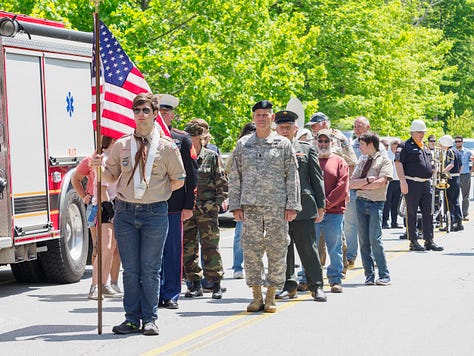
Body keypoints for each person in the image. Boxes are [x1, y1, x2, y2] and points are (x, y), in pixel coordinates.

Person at [91, 93, 186, 335]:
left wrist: (154, 192)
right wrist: (99, 168)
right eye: (137, 110)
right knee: (131, 269)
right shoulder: (122, 145)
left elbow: (178, 180)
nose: (141, 115)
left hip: (155, 213)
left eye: (145, 110)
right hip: (125, 212)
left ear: (155, 114)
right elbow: (111, 177)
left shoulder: (167, 147)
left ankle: (150, 319)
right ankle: (132, 318)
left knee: (150, 269)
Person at [229, 100, 301, 313]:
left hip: (276, 205)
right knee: (251, 250)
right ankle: (256, 295)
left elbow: (292, 176)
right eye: (258, 114)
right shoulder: (243, 144)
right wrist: (235, 204)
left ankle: (271, 294)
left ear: (272, 118)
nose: (261, 118)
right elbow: (235, 176)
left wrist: (292, 205)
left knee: (277, 248)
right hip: (250, 206)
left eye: (266, 114)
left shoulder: (283, 144)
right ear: (253, 117)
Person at [274, 110, 327, 302]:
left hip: (303, 206)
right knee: (283, 249)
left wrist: (321, 205)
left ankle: (317, 286)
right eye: (282, 127)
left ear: (295, 129)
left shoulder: (306, 149)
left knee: (308, 249)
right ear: (276, 129)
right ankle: (288, 285)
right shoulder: (271, 148)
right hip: (278, 207)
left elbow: (316, 179)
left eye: (288, 127)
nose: (285, 131)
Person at [156, 94, 198, 310]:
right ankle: (154, 293)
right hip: (150, 204)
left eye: (166, 112)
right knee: (153, 253)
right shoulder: (147, 138)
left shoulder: (181, 139)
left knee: (172, 251)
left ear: (172, 115)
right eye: (159, 112)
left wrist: (188, 205)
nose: (163, 115)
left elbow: (191, 175)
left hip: (174, 205)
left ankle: (171, 293)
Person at [182, 119, 228, 300]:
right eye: (189, 137)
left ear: (201, 138)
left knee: (211, 247)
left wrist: (218, 203)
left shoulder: (211, 156)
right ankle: (194, 283)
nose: (192, 140)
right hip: (189, 210)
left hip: (207, 209)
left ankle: (215, 283)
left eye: (194, 136)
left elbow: (222, 181)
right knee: (189, 248)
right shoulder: (182, 157)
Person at [72, 137, 122, 300]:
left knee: (113, 247)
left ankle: (106, 284)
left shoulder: (116, 158)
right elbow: (101, 188)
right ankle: (95, 285)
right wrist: (109, 208)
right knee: (104, 247)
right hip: (103, 204)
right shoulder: (102, 159)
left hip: (116, 203)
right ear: (112, 142)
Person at [306, 111, 356, 274]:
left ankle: (340, 269)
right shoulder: (312, 139)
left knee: (337, 240)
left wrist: (342, 141)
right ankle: (316, 270)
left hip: (336, 196)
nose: (313, 129)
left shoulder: (338, 138)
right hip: (316, 200)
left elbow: (352, 161)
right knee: (317, 240)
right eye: (312, 127)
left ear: (324, 123)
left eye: (315, 125)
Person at [349, 132, 392, 286]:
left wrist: (361, 185)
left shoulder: (385, 161)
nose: (359, 147)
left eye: (361, 144)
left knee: (375, 240)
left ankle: (384, 274)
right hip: (360, 202)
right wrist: (366, 181)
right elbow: (351, 183)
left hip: (375, 203)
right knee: (364, 241)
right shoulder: (362, 161)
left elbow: (380, 183)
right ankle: (369, 274)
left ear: (370, 144)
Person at [394, 119, 443, 252]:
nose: (422, 134)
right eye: (419, 132)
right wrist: (402, 181)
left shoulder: (424, 146)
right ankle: (413, 241)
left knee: (429, 213)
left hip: (426, 183)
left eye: (423, 132)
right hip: (412, 182)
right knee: (412, 213)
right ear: (412, 132)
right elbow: (398, 163)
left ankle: (429, 240)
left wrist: (433, 168)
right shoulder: (405, 146)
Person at [314, 129, 348, 293]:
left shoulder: (340, 162)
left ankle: (335, 279)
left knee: (334, 248)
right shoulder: (311, 160)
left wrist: (325, 205)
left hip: (334, 213)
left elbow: (342, 187)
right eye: (320, 141)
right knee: (311, 247)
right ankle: (309, 278)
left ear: (332, 143)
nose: (323, 144)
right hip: (313, 214)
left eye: (326, 141)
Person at [225, 122, 257, 279]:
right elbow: (227, 168)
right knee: (240, 234)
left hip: (262, 198)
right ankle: (238, 266)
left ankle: (257, 267)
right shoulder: (239, 148)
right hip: (243, 198)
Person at [439, 135, 463, 231]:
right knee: (455, 201)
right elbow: (460, 166)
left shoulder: (450, 151)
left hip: (451, 178)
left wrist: (442, 172)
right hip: (456, 177)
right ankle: (458, 222)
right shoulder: (456, 151)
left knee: (449, 202)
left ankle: (451, 222)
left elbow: (451, 164)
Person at [382, 138, 402, 229]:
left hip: (398, 180)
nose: (396, 145)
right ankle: (385, 221)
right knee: (387, 202)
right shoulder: (388, 154)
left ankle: (394, 221)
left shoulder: (400, 154)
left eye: (398, 143)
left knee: (396, 203)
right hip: (389, 181)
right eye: (395, 143)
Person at [454, 136, 473, 220]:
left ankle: (465, 213)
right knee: (455, 195)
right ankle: (456, 214)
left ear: (462, 142)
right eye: (456, 141)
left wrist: (471, 171)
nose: (458, 143)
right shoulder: (453, 151)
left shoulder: (467, 152)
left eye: (459, 141)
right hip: (456, 175)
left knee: (465, 195)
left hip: (465, 175)